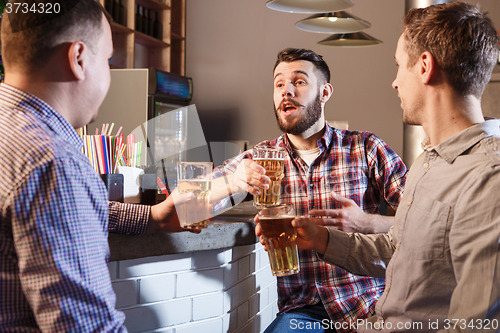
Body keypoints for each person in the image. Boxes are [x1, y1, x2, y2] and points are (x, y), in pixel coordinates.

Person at [284, 2, 500, 331]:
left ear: (425, 66)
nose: (395, 82)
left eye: (399, 66)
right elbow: (396, 249)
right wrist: (323, 240)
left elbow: (475, 325)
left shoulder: (489, 177)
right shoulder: (430, 161)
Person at [0, 0, 200, 331]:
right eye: (108, 59)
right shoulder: (54, 163)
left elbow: (31, 212)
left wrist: (150, 216)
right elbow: (87, 327)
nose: (110, 72)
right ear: (78, 58)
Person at [213, 48, 407, 332]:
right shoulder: (260, 158)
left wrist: (368, 222)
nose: (286, 91)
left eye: (299, 82)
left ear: (325, 92)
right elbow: (189, 203)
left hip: (370, 305)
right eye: (279, 84)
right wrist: (232, 181)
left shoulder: (365, 147)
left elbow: (424, 224)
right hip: (302, 314)